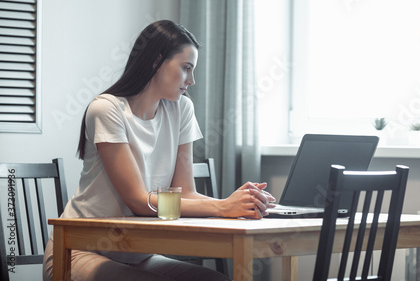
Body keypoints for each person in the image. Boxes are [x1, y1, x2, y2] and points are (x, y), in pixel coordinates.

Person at [43, 20, 276, 281]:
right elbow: (139, 201)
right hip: (77, 252)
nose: (192, 80)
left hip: (136, 255)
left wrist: (237, 203)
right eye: (186, 68)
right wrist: (222, 207)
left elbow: (185, 192)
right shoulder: (106, 109)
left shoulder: (181, 109)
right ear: (156, 62)